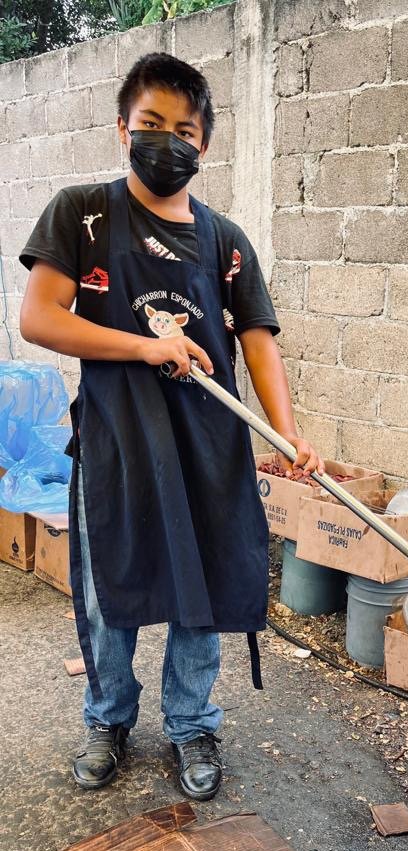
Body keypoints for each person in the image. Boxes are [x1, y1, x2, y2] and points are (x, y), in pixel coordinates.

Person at [18, 52, 324, 801]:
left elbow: (257, 340)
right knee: (109, 589)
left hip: (208, 447)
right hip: (118, 442)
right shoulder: (81, 214)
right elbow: (38, 318)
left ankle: (193, 724)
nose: (166, 141)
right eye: (149, 124)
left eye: (183, 130)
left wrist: (287, 438)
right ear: (122, 127)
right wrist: (149, 346)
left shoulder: (225, 240)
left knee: (206, 587)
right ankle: (109, 720)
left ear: (204, 145)